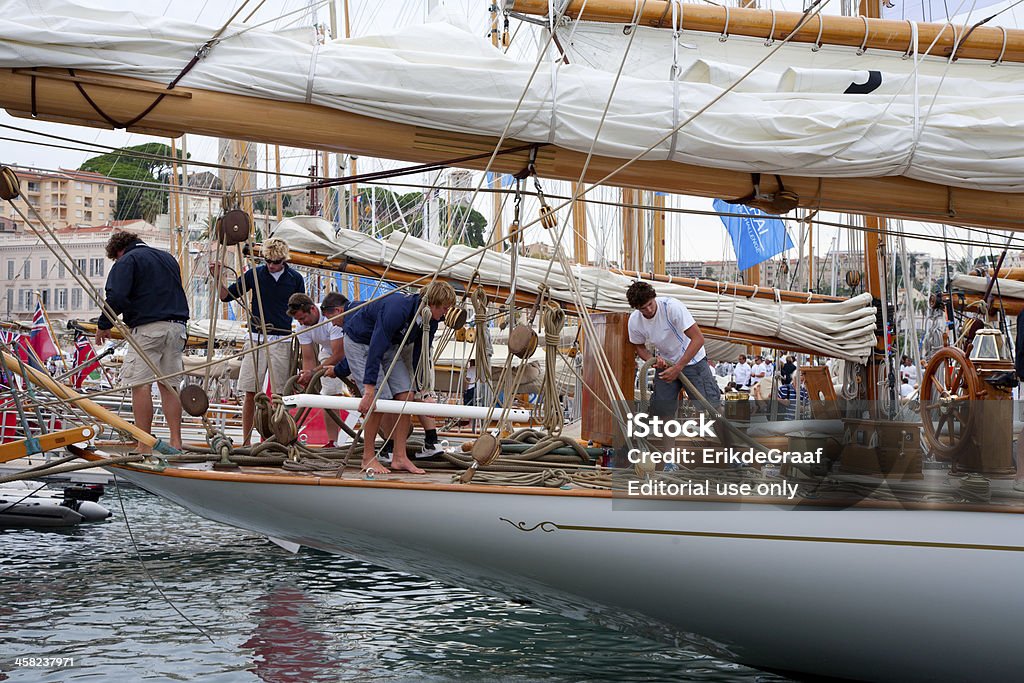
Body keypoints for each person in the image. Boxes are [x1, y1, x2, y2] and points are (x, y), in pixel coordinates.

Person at [344, 281, 457, 474]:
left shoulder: (432, 320)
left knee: (407, 396)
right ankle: (368, 457)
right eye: (445, 308)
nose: (446, 313)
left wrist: (424, 390)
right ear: (433, 304)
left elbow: (421, 354)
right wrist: (369, 389)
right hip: (362, 343)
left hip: (391, 347)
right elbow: (376, 347)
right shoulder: (397, 309)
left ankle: (399, 456)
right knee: (379, 399)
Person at [96, 230, 189, 451]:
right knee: (170, 386)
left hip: (149, 328)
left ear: (118, 251)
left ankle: (144, 444)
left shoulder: (127, 260)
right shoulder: (168, 258)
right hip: (177, 327)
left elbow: (117, 296)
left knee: (140, 385)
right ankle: (176, 442)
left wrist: (103, 325)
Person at [210, 237, 305, 446]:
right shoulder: (255, 274)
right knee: (250, 391)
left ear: (284, 260)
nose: (272, 266)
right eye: (268, 261)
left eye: (277, 262)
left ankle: (279, 439)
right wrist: (218, 278)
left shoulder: (295, 278)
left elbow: (302, 309)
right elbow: (227, 297)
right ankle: (246, 441)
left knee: (280, 394)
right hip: (256, 337)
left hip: (281, 337)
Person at [626, 281, 721, 414]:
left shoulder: (671, 307)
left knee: (711, 407)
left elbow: (698, 339)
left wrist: (678, 367)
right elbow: (639, 346)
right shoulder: (635, 321)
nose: (648, 310)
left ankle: (728, 435)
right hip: (666, 365)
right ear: (636, 308)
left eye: (650, 304)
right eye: (643, 308)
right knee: (662, 411)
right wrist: (652, 359)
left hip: (693, 361)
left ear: (654, 298)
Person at [287, 291, 349, 447]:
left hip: (350, 350)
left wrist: (314, 372)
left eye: (303, 318)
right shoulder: (302, 327)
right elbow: (308, 357)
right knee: (329, 395)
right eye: (298, 320)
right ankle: (332, 441)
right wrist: (308, 378)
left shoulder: (330, 318)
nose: (301, 322)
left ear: (313, 310)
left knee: (364, 393)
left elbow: (339, 354)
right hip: (327, 352)